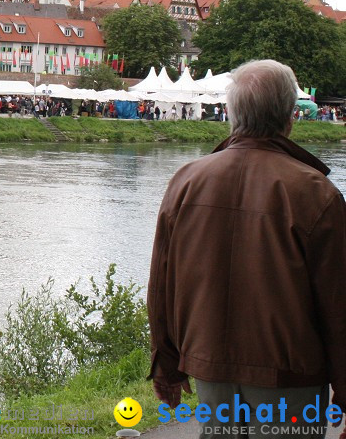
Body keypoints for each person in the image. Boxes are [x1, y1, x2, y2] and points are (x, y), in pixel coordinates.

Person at [148, 60, 346, 438]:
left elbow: (161, 286)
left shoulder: (187, 181)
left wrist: (166, 363)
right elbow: (338, 306)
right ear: (290, 116)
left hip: (211, 369)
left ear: (231, 114)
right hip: (290, 379)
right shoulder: (315, 192)